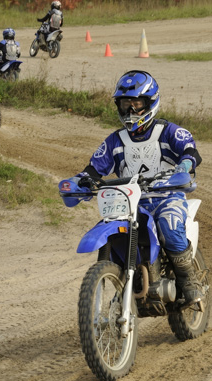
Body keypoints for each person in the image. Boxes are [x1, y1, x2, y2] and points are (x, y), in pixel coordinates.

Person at [63, 70, 204, 308]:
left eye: (136, 104)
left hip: (166, 196)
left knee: (169, 226)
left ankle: (189, 280)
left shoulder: (167, 131)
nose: (130, 110)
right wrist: (81, 181)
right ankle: (122, 281)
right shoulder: (115, 141)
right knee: (108, 227)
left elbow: (189, 149)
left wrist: (185, 165)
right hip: (129, 202)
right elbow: (94, 168)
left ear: (150, 102)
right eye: (125, 104)